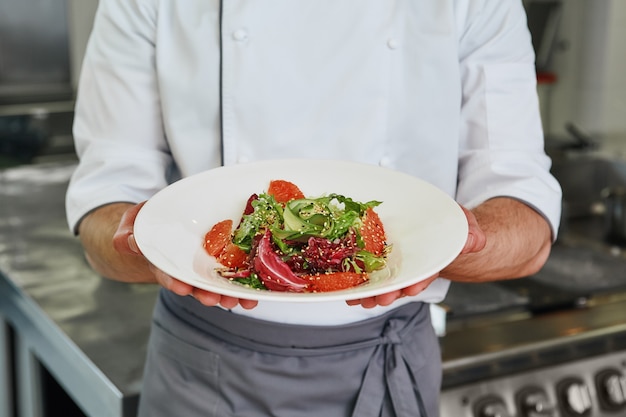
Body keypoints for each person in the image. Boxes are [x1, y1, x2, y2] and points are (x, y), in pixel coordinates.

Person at [66, 1, 562, 416]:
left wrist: (453, 242)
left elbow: (528, 233)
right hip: (202, 370)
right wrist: (143, 241)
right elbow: (102, 214)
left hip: (385, 363)